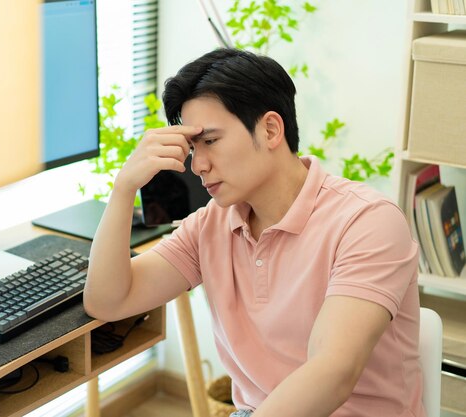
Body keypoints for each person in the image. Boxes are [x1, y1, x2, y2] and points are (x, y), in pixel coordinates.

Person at [83, 48, 424, 417]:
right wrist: (123, 189)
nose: (197, 165)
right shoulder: (212, 223)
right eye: (193, 148)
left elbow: (332, 372)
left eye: (210, 141)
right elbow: (108, 301)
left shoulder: (367, 222)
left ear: (271, 129)